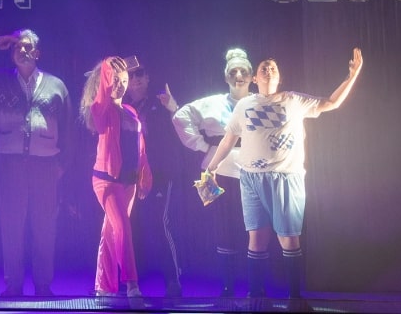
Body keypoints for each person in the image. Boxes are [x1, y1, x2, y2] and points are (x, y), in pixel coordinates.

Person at [205, 48, 364, 303]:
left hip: (285, 178)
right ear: (255, 78)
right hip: (251, 179)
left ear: (279, 77)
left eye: (273, 68)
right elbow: (228, 140)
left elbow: (331, 103)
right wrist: (211, 167)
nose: (268, 70)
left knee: (289, 240)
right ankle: (256, 297)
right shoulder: (244, 105)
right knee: (256, 238)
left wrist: (351, 76)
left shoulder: (293, 100)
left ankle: (295, 299)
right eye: (264, 68)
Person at [0, 28, 70, 297]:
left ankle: (43, 285)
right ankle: (14, 284)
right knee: (11, 224)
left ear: (37, 53)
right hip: (10, 165)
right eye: (17, 47)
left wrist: (62, 165)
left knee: (45, 226)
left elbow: (69, 129)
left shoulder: (56, 86)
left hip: (46, 165)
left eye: (27, 46)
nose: (21, 50)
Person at [171, 47, 255, 297]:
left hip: (254, 171)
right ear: (226, 76)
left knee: (255, 229)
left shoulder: (259, 102)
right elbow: (180, 117)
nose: (238, 75)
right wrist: (204, 147)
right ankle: (227, 286)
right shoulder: (214, 102)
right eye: (233, 71)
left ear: (252, 76)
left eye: (243, 71)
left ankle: (256, 286)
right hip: (219, 171)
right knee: (224, 228)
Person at [80, 56, 151, 298]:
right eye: (115, 80)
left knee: (111, 232)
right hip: (107, 181)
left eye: (124, 80)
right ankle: (132, 284)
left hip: (129, 181)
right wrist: (108, 65)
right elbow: (102, 92)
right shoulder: (101, 109)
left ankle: (104, 286)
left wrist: (145, 176)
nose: (120, 85)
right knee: (122, 228)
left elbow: (141, 147)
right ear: (107, 81)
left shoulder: (130, 111)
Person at [124, 59, 184, 298]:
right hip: (129, 176)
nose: (135, 79)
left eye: (140, 74)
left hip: (159, 174)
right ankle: (130, 283)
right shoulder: (121, 107)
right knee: (129, 228)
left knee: (160, 224)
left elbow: (183, 126)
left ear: (148, 78)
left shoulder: (160, 104)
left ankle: (173, 280)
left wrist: (173, 107)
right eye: (130, 75)